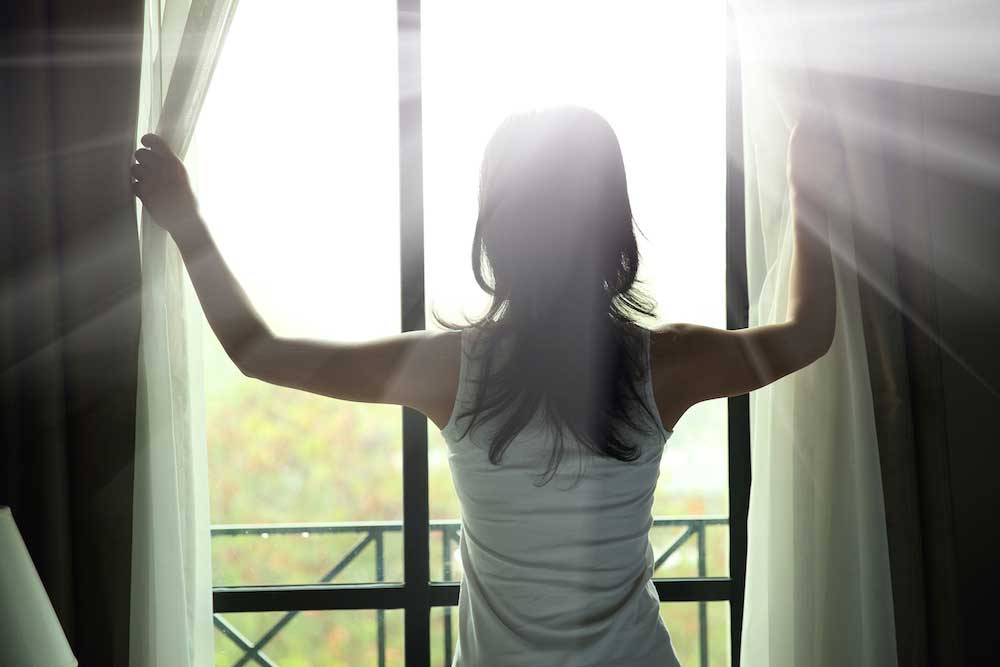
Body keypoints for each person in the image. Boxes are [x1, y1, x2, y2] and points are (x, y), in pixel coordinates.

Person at [132, 105, 838, 666]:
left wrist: (186, 220)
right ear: (612, 227)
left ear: (497, 234)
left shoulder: (454, 369)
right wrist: (811, 194)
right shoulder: (665, 363)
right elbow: (809, 333)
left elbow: (258, 352)